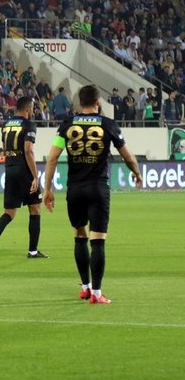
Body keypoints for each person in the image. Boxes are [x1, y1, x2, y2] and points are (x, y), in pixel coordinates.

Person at [43, 84, 142, 304]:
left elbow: (52, 158)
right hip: (98, 188)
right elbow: (127, 156)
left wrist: (48, 189)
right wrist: (136, 173)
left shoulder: (67, 125)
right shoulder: (108, 124)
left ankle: (85, 287)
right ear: (98, 102)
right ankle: (96, 293)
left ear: (79, 104)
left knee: (79, 236)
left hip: (75, 189)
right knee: (98, 241)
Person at [0, 97, 47, 260]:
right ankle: (33, 251)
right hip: (24, 169)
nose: (32, 111)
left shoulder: (6, 125)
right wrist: (35, 176)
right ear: (27, 109)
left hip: (10, 168)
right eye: (32, 108)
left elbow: (5, 148)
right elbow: (28, 151)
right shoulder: (29, 125)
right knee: (35, 208)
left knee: (9, 212)